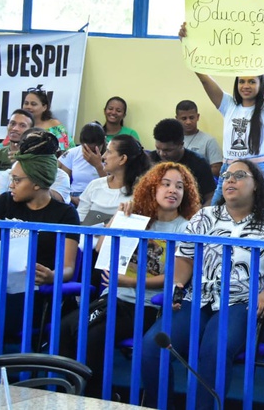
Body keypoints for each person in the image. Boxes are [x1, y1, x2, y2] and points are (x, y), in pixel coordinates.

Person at [140, 159, 264, 410]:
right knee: (151, 348)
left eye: (239, 175)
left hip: (243, 302)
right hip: (197, 297)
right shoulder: (205, 216)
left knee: (214, 351)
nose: (230, 180)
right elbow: (185, 256)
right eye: (226, 175)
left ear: (256, 185)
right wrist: (177, 285)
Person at [60, 162, 200, 398]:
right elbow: (103, 251)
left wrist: (132, 282)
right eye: (165, 184)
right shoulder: (136, 219)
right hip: (116, 299)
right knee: (64, 329)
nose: (172, 191)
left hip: (148, 306)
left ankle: (95, 399)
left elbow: (176, 277)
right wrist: (119, 216)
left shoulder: (187, 228)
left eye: (179, 186)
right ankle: (71, 394)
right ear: (151, 188)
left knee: (93, 336)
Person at [178, 23, 264, 203]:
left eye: (252, 82)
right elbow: (205, 80)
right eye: (242, 82)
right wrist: (187, 44)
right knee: (214, 213)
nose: (246, 86)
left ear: (260, 84)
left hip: (258, 169)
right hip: (229, 168)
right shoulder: (229, 105)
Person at [0, 129, 80, 339]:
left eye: (17, 180)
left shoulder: (66, 214)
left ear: (36, 183)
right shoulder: (3, 203)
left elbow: (68, 268)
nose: (11, 185)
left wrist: (52, 276)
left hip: (35, 290)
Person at [78, 134, 151, 227]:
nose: (103, 156)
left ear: (122, 159)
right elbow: (78, 222)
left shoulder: (141, 192)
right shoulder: (95, 185)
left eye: (109, 152)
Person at [149, 118, 216, 206]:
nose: (161, 154)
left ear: (181, 144)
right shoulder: (150, 160)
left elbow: (210, 197)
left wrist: (200, 216)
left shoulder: (199, 164)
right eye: (158, 148)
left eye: (167, 150)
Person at [0, 128, 71, 204]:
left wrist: (37, 182)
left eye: (17, 180)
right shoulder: (8, 174)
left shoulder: (61, 176)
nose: (11, 186)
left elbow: (56, 201)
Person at [59, 122, 107, 206]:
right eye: (86, 149)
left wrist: (98, 165)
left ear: (103, 142)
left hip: (100, 196)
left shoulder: (110, 155)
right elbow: (62, 184)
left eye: (94, 150)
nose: (90, 153)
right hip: (75, 196)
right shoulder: (73, 153)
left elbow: (111, 185)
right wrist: (71, 198)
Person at [19, 84, 74, 152]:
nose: (28, 107)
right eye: (26, 103)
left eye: (33, 104)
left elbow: (68, 150)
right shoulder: (18, 125)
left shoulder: (55, 125)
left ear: (44, 107)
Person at [175, 100, 223, 178]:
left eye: (191, 117)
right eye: (184, 118)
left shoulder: (209, 141)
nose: (188, 122)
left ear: (197, 117)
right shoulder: (172, 141)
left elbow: (217, 169)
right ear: (177, 119)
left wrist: (193, 176)